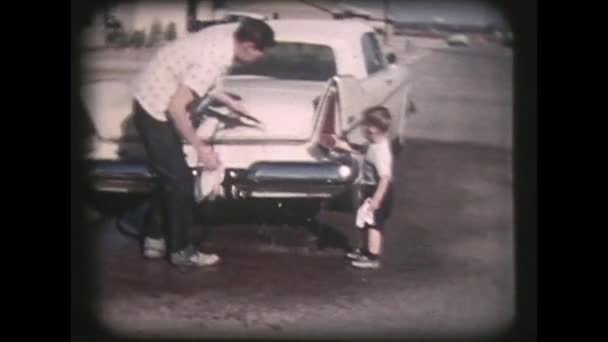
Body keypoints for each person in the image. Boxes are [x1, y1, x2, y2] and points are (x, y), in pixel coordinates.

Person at [132, 18, 275, 267]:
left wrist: (229, 102)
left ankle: (154, 240)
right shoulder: (214, 58)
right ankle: (181, 251)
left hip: (155, 91)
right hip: (154, 106)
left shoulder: (229, 33)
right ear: (248, 46)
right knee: (182, 182)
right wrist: (201, 148)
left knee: (172, 177)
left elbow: (197, 77)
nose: (262, 57)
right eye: (261, 53)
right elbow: (176, 107)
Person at [330, 106, 394, 269]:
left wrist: (377, 199)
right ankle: (365, 251)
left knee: (374, 224)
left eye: (366, 125)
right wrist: (341, 144)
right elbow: (360, 150)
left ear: (375, 128)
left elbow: (385, 178)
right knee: (366, 221)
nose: (363, 128)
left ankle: (373, 257)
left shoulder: (381, 151)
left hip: (379, 191)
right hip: (370, 188)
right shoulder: (373, 143)